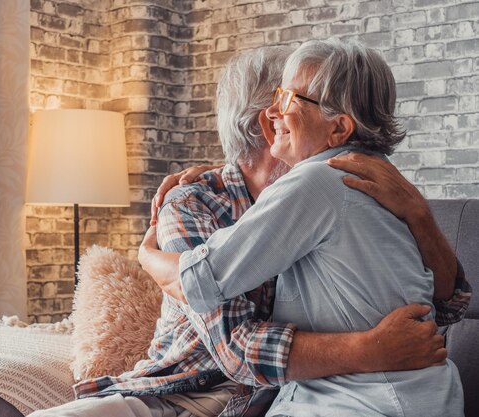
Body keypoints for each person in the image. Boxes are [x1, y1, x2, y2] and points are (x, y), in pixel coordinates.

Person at [30, 45, 470, 417]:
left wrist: (420, 213)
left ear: (338, 127)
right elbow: (233, 348)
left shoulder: (347, 185)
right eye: (277, 98)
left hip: (325, 399)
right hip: (184, 390)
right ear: (264, 122)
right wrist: (367, 349)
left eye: (291, 98)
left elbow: (443, 309)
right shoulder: (202, 201)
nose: (279, 110)